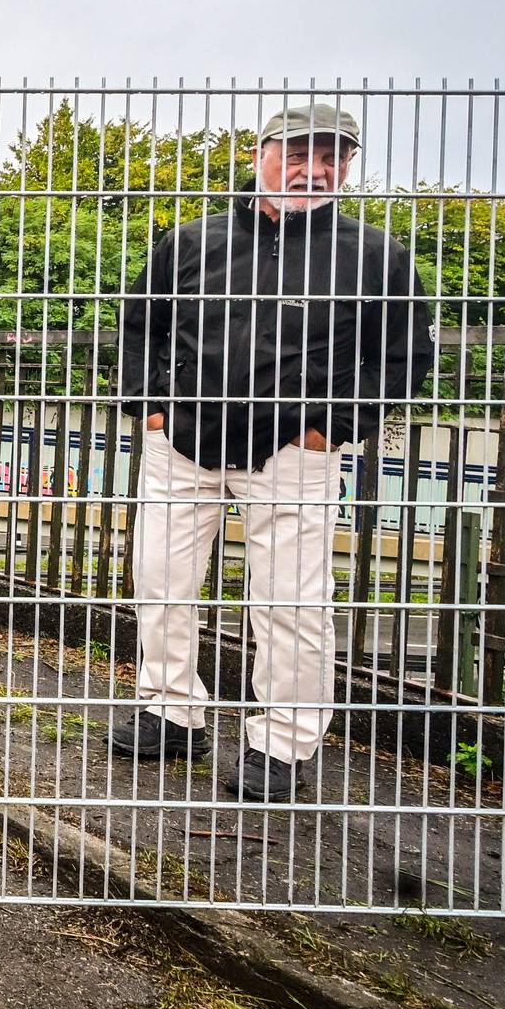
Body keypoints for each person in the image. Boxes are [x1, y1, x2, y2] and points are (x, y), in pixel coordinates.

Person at [109, 103, 435, 803]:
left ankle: (283, 742)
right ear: (259, 155)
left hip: (294, 450)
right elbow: (140, 325)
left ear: (348, 166)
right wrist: (151, 409)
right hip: (183, 442)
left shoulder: (375, 255)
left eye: (332, 158)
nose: (314, 170)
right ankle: (171, 710)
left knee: (291, 601)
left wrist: (334, 426)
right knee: (161, 582)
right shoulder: (192, 241)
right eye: (298, 154)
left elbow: (405, 356)